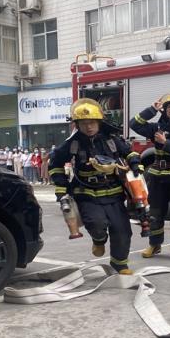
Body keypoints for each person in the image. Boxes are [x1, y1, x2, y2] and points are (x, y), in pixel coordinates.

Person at [49, 98, 141, 274]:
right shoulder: (72, 143)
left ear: (99, 122)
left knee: (122, 230)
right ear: (77, 124)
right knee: (96, 224)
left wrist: (136, 164)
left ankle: (120, 264)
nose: (88, 127)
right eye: (84, 123)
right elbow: (55, 164)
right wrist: (61, 187)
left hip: (113, 192)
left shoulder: (111, 140)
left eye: (92, 122)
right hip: (86, 193)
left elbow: (129, 153)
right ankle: (99, 240)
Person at [128, 93, 170, 263]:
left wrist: (166, 143)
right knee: (155, 214)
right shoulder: (157, 127)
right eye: (168, 106)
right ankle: (155, 245)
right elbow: (134, 124)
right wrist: (152, 110)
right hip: (158, 178)